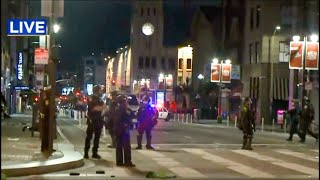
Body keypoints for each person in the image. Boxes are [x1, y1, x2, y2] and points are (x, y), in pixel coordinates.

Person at [113, 95, 135, 167]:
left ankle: (119, 162)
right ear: (123, 102)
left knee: (119, 146)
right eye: (125, 101)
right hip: (123, 130)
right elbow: (131, 116)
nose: (126, 102)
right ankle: (127, 161)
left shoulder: (117, 109)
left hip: (118, 130)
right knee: (126, 147)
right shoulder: (123, 109)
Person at [84, 85, 105, 159]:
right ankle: (86, 153)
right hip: (92, 120)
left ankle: (94, 153)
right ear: (97, 90)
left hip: (98, 120)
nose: (101, 91)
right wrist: (102, 107)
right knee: (89, 137)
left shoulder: (99, 99)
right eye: (100, 90)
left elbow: (102, 108)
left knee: (97, 137)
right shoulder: (91, 98)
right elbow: (94, 108)